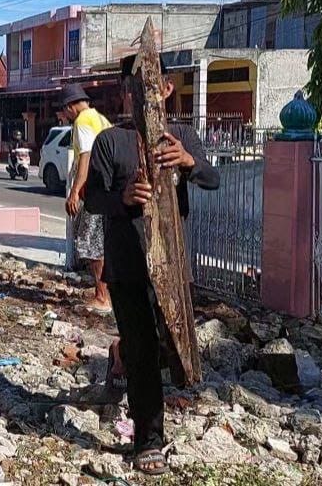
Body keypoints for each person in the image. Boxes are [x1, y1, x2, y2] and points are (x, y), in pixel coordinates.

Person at [84, 72, 219, 476]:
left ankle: (120, 356)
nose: (143, 95)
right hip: (126, 266)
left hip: (172, 270)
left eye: (152, 86)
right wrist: (122, 198)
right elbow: (92, 199)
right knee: (144, 351)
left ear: (166, 90)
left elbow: (213, 179)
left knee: (167, 343)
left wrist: (189, 161)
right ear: (127, 93)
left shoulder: (179, 137)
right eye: (135, 87)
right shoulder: (110, 140)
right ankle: (149, 438)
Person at [58, 83, 113, 315]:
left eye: (65, 111)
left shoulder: (82, 122)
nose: (66, 116)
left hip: (94, 192)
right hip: (108, 190)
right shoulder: (100, 119)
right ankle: (105, 294)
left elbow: (86, 157)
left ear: (70, 107)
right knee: (101, 244)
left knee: (92, 245)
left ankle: (102, 297)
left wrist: (74, 192)